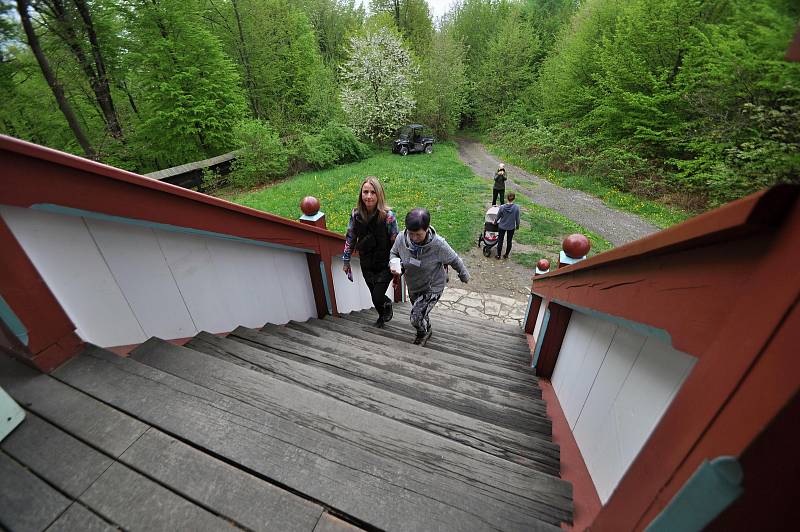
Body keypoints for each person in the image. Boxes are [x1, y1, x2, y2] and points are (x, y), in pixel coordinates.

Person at [390, 208, 470, 345]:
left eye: (418, 235)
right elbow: (393, 253)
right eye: (411, 234)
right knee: (420, 312)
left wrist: (464, 275)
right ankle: (427, 327)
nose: (414, 238)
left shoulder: (438, 244)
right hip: (414, 285)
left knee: (415, 317)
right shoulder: (401, 239)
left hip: (432, 287)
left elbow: (455, 260)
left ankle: (423, 333)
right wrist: (395, 264)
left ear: (426, 229)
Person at [342, 177, 399, 327]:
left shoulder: (389, 217)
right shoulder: (355, 215)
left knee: (378, 296)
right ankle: (381, 317)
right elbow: (350, 237)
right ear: (361, 194)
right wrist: (346, 260)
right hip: (366, 263)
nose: (368, 196)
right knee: (374, 298)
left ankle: (386, 305)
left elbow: (396, 242)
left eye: (373, 192)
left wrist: (398, 266)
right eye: (365, 192)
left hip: (384, 264)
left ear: (379, 194)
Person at [495, 192, 520, 259]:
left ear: (507, 198)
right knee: (509, 241)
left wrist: (494, 222)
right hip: (511, 227)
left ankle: (498, 255)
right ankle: (506, 255)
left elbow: (498, 216)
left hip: (502, 226)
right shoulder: (516, 208)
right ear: (514, 198)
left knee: (500, 240)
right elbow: (517, 219)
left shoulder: (502, 207)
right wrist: (517, 226)